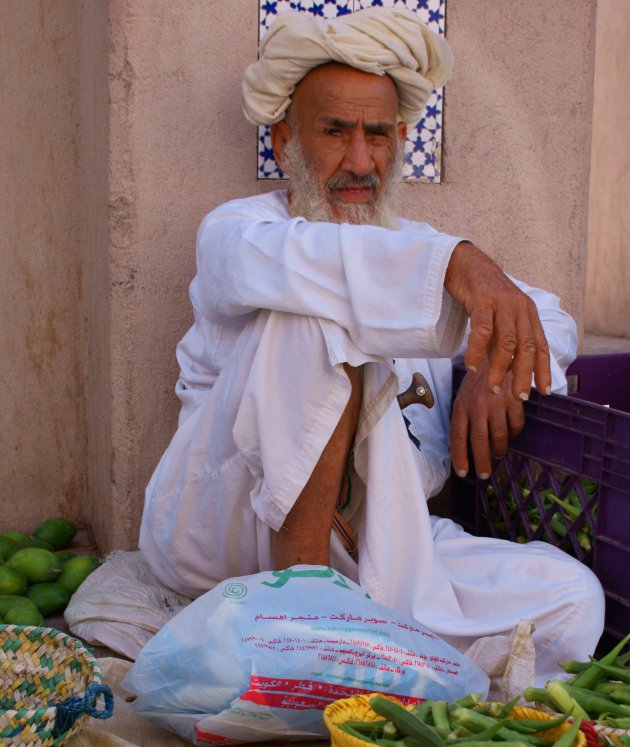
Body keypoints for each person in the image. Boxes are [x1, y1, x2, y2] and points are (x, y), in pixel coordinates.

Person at [139, 7, 604, 686]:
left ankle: (353, 637)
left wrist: (492, 367)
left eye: (377, 135)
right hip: (230, 530)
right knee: (315, 309)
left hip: (387, 546)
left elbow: (546, 317)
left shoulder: (412, 245)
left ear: (401, 139)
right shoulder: (238, 231)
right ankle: (300, 626)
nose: (360, 161)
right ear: (283, 139)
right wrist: (459, 266)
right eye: (334, 132)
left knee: (570, 598)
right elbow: (322, 267)